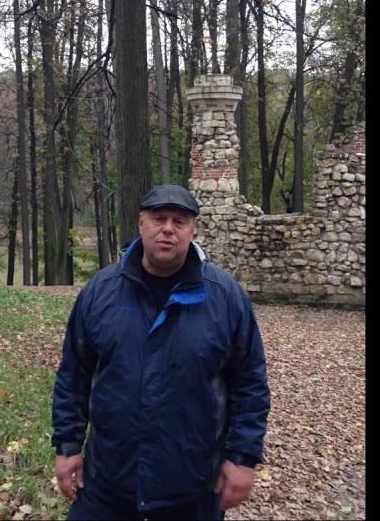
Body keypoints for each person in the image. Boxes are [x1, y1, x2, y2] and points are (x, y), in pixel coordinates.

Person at [51, 183, 271, 520]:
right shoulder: (101, 292)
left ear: (193, 229)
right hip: (107, 481)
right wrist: (67, 446)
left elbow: (250, 382)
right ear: (141, 224)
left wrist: (242, 458)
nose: (168, 229)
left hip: (193, 486)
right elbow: (73, 375)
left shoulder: (225, 298)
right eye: (159, 219)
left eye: (179, 221)